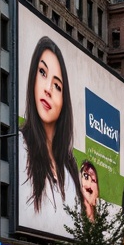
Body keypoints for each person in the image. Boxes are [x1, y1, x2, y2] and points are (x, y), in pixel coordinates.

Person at [21, 37, 80, 220]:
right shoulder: (19, 147)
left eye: (57, 86)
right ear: (33, 78)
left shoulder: (70, 169)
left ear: (64, 101)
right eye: (42, 72)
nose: (48, 89)